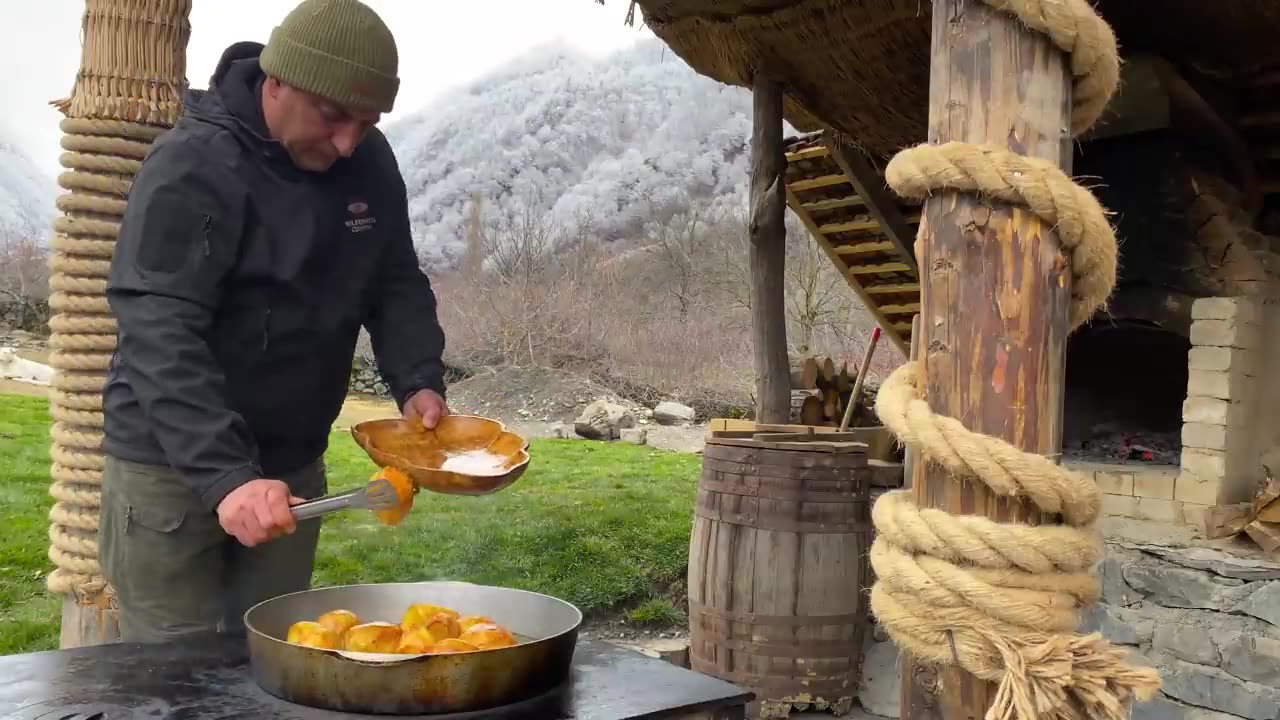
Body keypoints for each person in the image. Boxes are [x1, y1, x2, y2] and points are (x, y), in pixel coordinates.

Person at [98, 0, 447, 643]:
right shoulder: (193, 165)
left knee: (277, 660)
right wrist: (227, 477)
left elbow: (394, 279)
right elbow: (158, 331)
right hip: (174, 469)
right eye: (333, 117)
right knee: (181, 680)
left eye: (367, 123)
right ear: (276, 82)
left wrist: (418, 378)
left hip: (292, 465)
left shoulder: (367, 161)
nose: (348, 143)